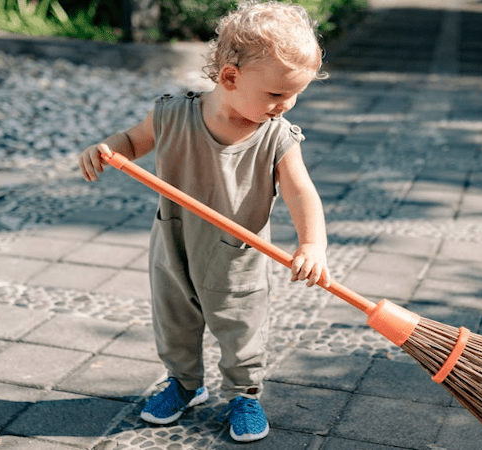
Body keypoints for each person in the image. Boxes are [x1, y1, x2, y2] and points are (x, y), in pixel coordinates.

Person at [77, 0, 330, 443]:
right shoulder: (172, 115)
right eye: (276, 94)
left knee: (241, 328)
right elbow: (132, 142)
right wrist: (105, 148)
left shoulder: (276, 137)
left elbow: (300, 192)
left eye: (295, 96)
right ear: (230, 77)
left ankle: (244, 393)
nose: (286, 105)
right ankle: (183, 383)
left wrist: (312, 245)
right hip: (174, 244)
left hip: (237, 257)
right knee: (174, 320)